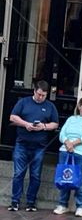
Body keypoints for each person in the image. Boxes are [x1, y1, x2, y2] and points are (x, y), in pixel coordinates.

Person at [8, 80, 60, 212]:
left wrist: (43, 126)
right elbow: (13, 117)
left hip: (39, 146)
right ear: (34, 91)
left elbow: (55, 124)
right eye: (39, 94)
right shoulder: (23, 102)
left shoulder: (50, 106)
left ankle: (31, 202)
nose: (41, 97)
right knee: (18, 173)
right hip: (22, 144)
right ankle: (15, 201)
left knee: (36, 175)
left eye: (43, 95)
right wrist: (26, 124)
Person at [53, 96, 82, 217]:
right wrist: (67, 143)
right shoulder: (71, 119)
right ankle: (62, 205)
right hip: (66, 151)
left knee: (81, 180)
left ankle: (80, 206)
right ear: (79, 106)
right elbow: (62, 134)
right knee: (65, 178)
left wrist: (73, 143)